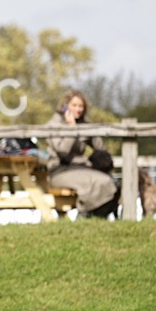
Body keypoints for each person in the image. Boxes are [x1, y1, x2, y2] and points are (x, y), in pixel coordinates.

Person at [46, 90, 118, 218]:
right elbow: (63, 152)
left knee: (113, 182)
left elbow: (100, 148)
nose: (78, 109)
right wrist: (72, 128)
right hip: (59, 171)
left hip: (81, 169)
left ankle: (96, 219)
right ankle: (84, 216)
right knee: (101, 181)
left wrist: (92, 132)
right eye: (74, 105)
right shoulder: (54, 124)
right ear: (65, 106)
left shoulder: (84, 124)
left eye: (81, 106)